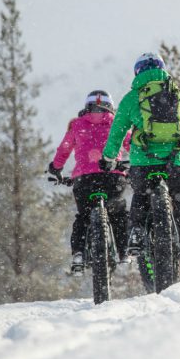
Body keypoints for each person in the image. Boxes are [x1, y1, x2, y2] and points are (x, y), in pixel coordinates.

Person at [99, 52, 180, 261]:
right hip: (173, 160)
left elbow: (117, 132)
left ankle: (136, 232)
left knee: (141, 195)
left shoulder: (131, 98)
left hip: (143, 160)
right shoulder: (175, 93)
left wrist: (109, 158)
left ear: (137, 72)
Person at [48, 90, 131, 274]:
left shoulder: (76, 125)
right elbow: (130, 144)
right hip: (112, 176)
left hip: (84, 180)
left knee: (83, 217)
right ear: (111, 106)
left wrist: (56, 168)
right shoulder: (117, 123)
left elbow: (64, 149)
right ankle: (124, 253)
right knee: (118, 214)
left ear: (86, 106)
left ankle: (78, 254)